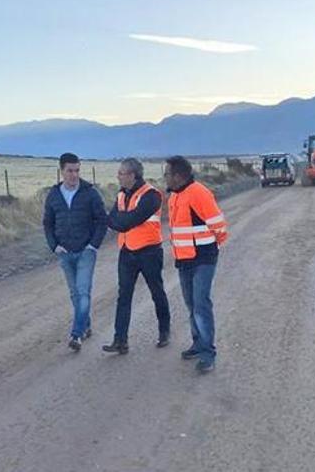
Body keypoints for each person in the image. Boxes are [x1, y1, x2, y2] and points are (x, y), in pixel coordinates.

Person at [164, 156, 229, 373]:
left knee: (201, 304)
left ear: (178, 176)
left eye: (167, 173)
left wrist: (212, 248)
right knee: (192, 304)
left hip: (203, 258)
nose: (165, 177)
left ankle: (207, 354)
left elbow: (219, 225)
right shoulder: (174, 196)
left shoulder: (199, 193)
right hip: (184, 260)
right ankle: (198, 343)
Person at [102, 158, 170, 355]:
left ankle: (164, 331)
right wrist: (119, 221)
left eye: (121, 173)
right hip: (126, 251)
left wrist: (120, 220)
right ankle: (120, 340)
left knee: (157, 292)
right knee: (124, 296)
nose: (118, 176)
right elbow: (111, 219)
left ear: (132, 175)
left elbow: (124, 222)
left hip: (149, 251)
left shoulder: (151, 195)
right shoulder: (122, 194)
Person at [43, 152, 107, 351]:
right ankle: (85, 325)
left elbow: (101, 219)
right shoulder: (54, 195)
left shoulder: (90, 193)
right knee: (74, 294)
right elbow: (47, 223)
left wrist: (93, 245)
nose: (74, 175)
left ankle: (76, 334)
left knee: (83, 292)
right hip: (65, 252)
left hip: (86, 251)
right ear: (61, 171)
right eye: (70, 171)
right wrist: (54, 246)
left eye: (77, 170)